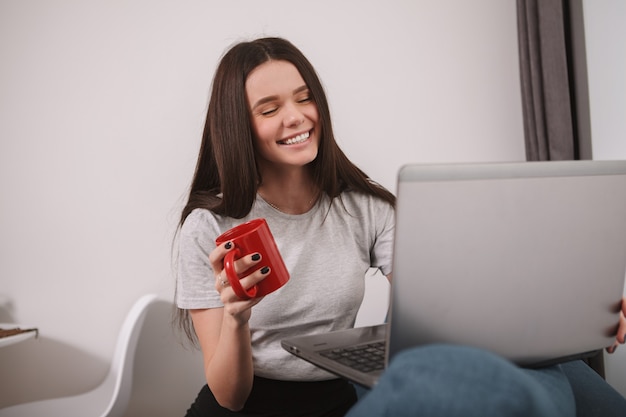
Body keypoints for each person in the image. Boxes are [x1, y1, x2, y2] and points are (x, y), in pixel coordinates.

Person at [175, 37, 626, 417]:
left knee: (542, 363)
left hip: (336, 398)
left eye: (305, 96)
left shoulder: (362, 208)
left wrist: (578, 311)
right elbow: (229, 397)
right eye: (269, 108)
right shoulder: (209, 227)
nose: (297, 117)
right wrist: (236, 316)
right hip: (249, 406)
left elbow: (452, 301)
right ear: (240, 126)